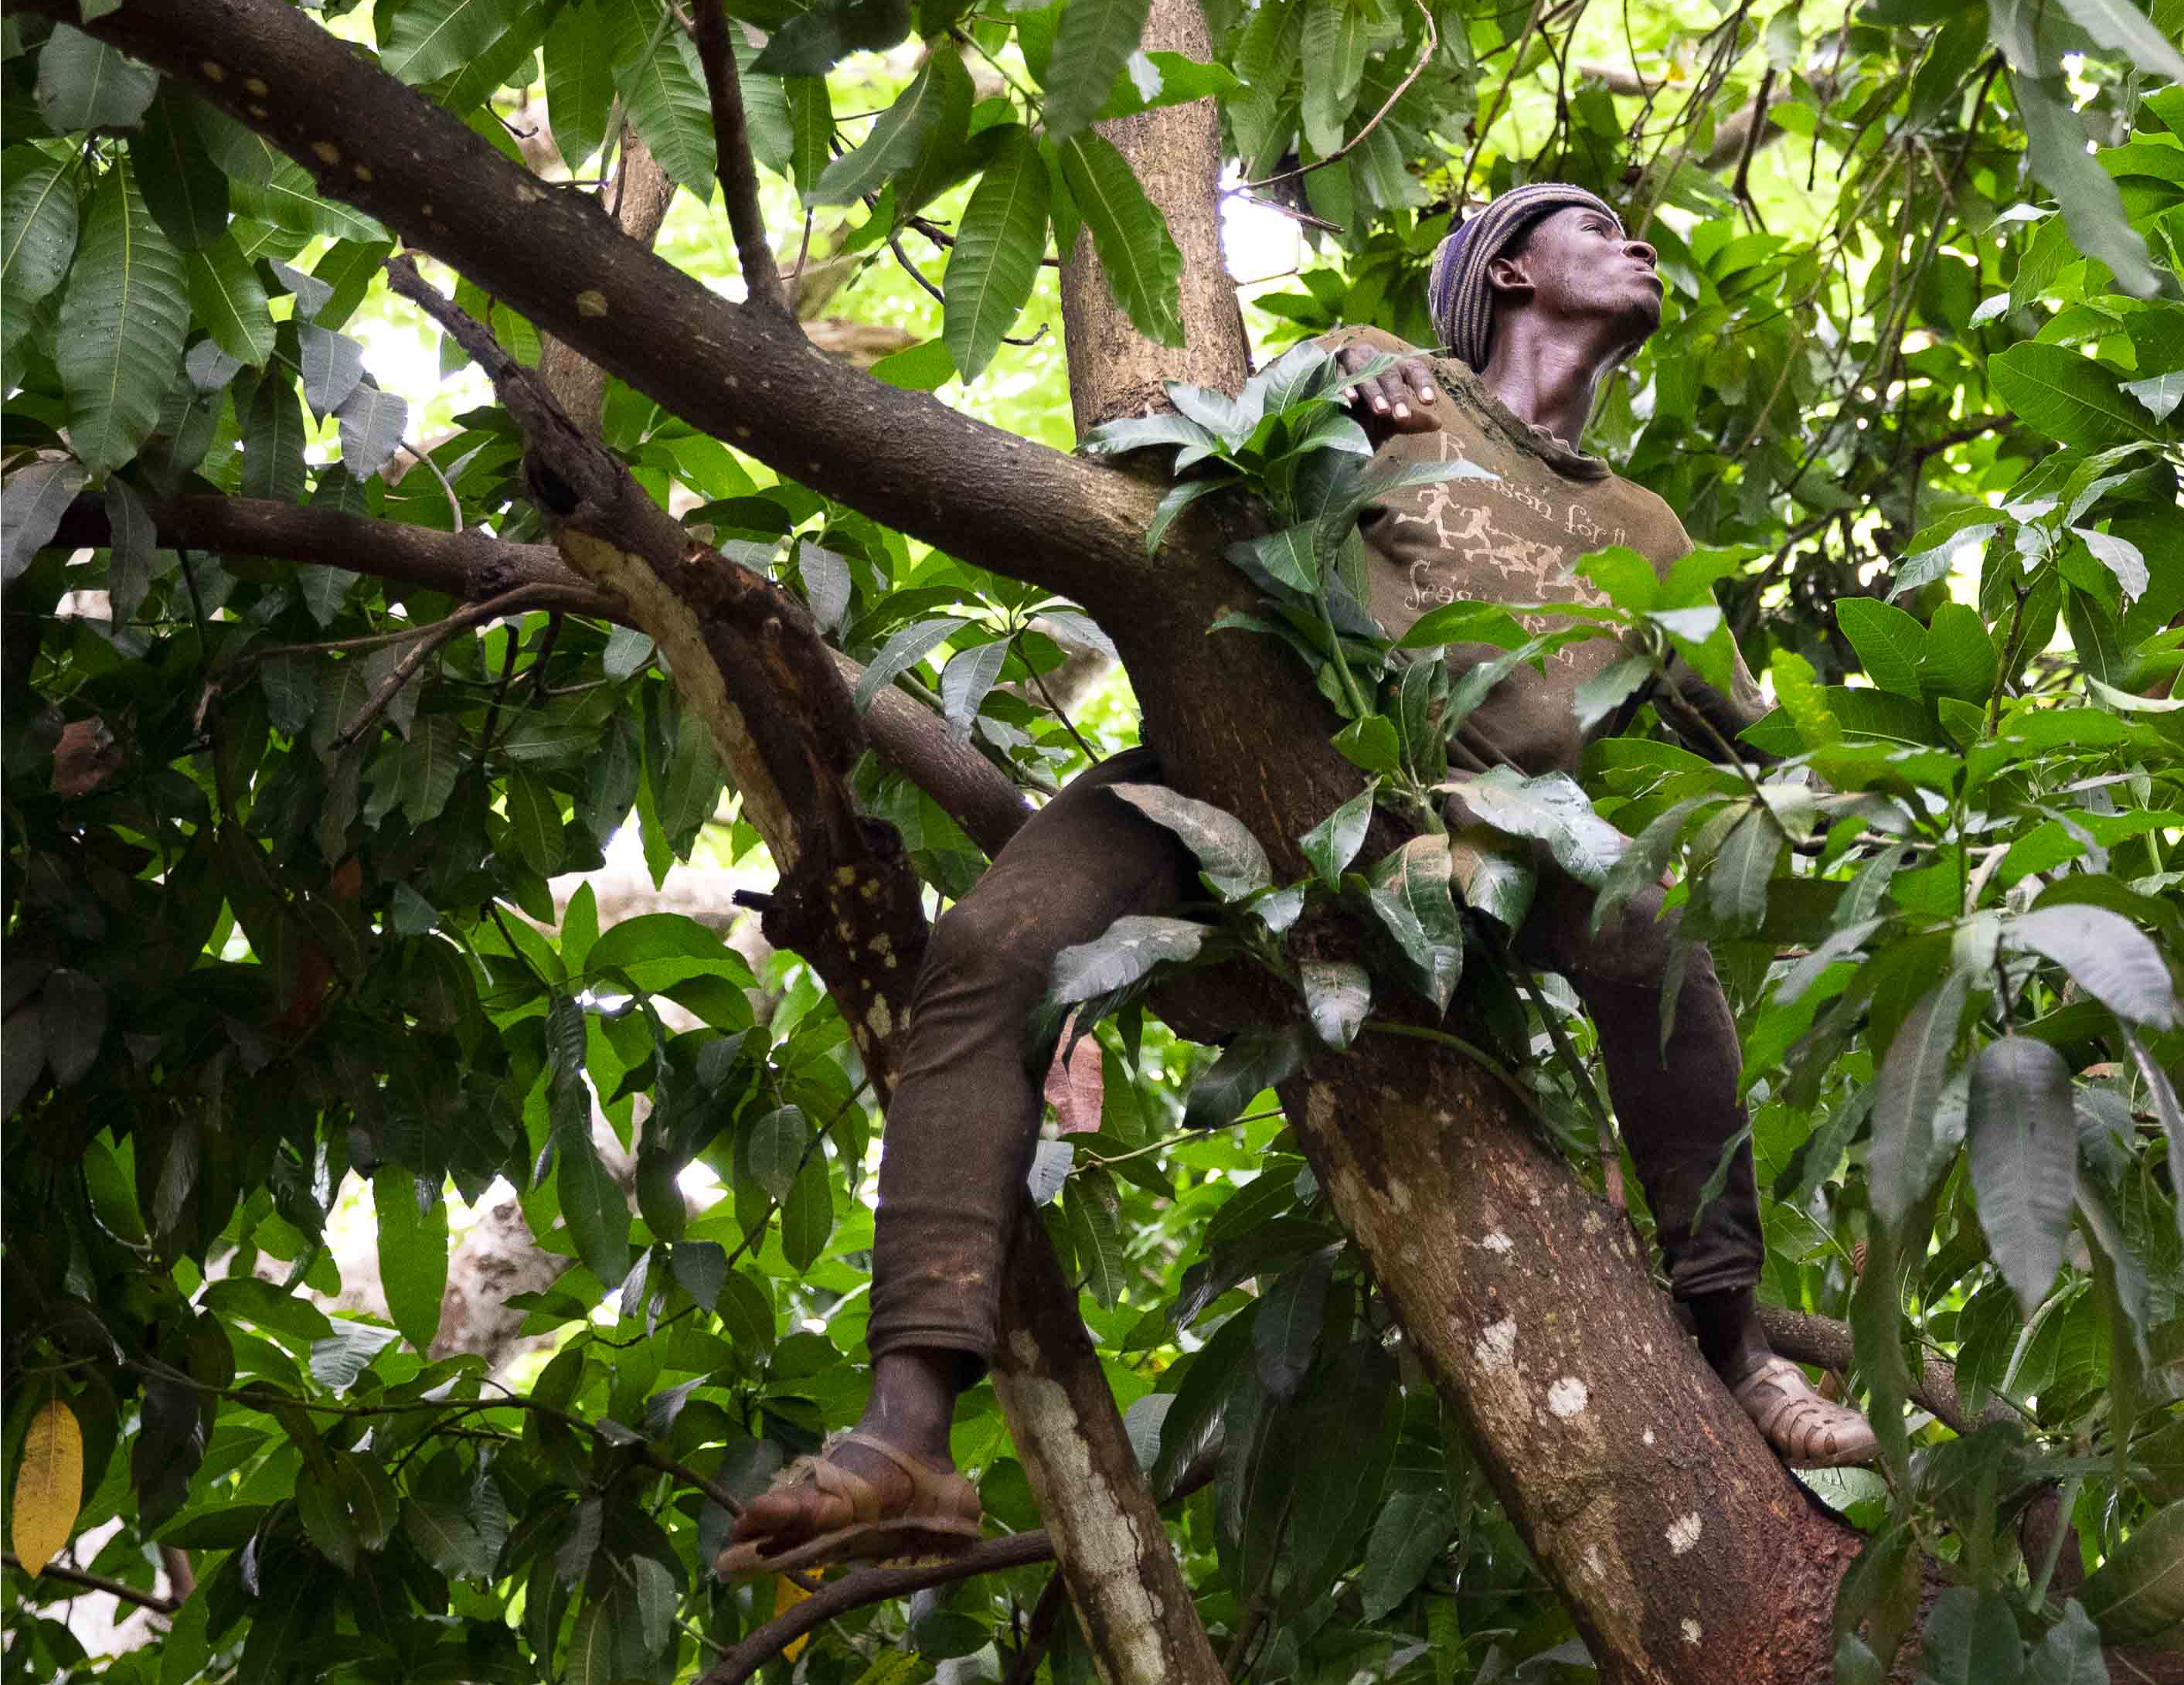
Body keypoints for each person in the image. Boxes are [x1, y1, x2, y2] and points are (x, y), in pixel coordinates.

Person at [714, 182, 1873, 1578]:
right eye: (1595, 224)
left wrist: (1901, 802)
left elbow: (1748, 734)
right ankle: (906, 1430)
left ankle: (1730, 1340)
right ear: (1507, 272)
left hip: (1484, 841)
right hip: (1247, 764)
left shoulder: (1643, 526)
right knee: (987, 953)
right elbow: (1248, 413)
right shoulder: (1394, 378)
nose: (1636, 243)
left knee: (1654, 931)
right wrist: (1345, 359)